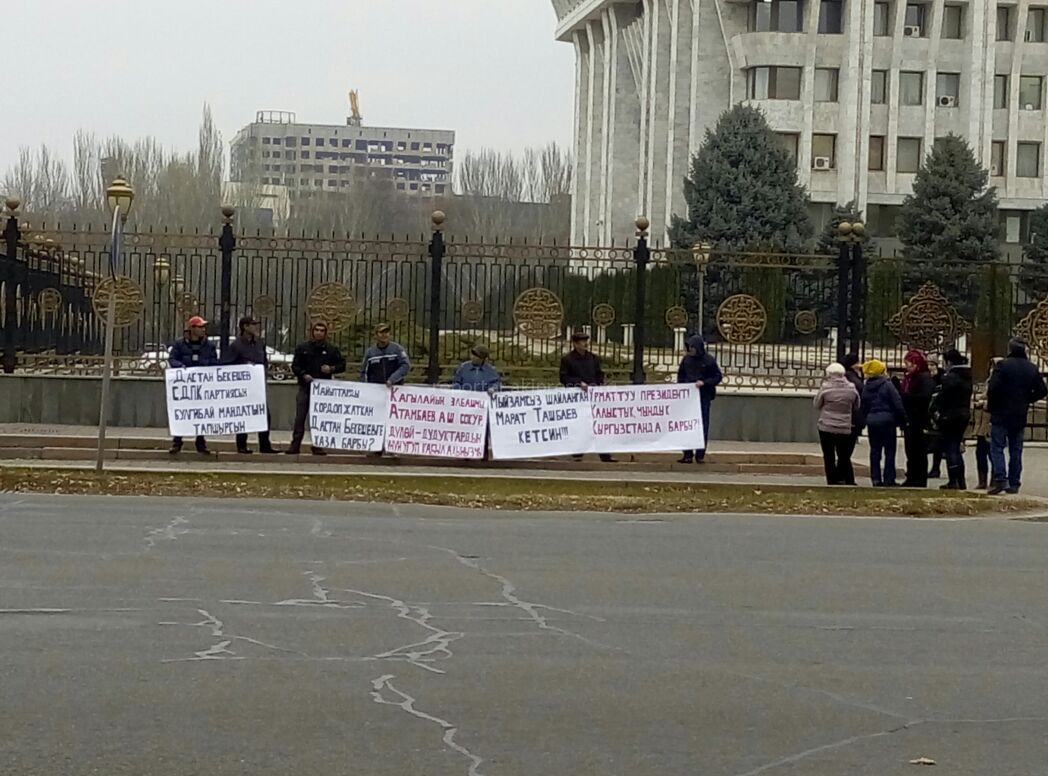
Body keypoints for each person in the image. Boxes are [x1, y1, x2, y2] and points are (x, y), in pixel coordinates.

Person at [986, 337, 1048, 495]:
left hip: (1000, 413)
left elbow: (993, 388)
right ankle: (1014, 482)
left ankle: (1000, 479)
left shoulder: (1003, 366)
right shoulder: (1031, 368)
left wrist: (992, 406)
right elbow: (1042, 390)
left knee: (997, 447)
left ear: (1010, 349)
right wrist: (1027, 399)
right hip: (1019, 413)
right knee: (1016, 449)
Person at [286, 321, 347, 456]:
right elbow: (295, 366)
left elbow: (342, 365)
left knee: (319, 418)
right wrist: (303, 375)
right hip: (305, 387)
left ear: (325, 333)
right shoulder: (303, 348)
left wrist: (331, 369)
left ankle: (318, 445)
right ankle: (295, 445)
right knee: (300, 417)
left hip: (323, 391)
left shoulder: (331, 349)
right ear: (312, 332)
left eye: (322, 331)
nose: (319, 333)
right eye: (316, 330)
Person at [559, 331, 615, 463]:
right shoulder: (568, 360)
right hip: (577, 398)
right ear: (575, 344)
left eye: (586, 341)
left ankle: (605, 455)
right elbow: (564, 377)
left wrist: (599, 383)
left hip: (593, 397)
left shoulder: (593, 358)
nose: (585, 344)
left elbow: (599, 374)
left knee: (598, 425)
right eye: (582, 341)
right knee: (580, 426)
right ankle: (577, 454)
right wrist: (578, 383)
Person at [226, 315, 277, 455]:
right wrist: (244, 366)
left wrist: (264, 370)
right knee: (244, 414)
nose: (255, 327)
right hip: (243, 387)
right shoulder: (236, 345)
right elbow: (228, 364)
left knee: (264, 414)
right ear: (245, 327)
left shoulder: (259, 343)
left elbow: (264, 360)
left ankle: (265, 445)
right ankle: (241, 444)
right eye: (252, 325)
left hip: (259, 385)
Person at [168, 315, 219, 455]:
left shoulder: (209, 346)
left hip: (202, 386)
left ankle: (201, 442)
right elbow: (172, 359)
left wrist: (207, 369)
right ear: (192, 329)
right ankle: (177, 442)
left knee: (200, 414)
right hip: (185, 387)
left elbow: (214, 362)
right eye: (200, 327)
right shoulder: (179, 344)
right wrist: (181, 367)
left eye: (203, 327)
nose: (203, 330)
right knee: (183, 413)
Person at [676, 335, 723, 464]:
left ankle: (700, 454)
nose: (690, 350)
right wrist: (682, 388)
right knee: (686, 425)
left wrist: (704, 382)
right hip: (688, 399)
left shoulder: (709, 360)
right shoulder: (686, 360)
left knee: (702, 425)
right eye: (689, 347)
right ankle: (687, 454)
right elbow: (681, 376)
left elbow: (717, 376)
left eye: (692, 347)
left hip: (703, 397)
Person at [860, 359, 907, 487]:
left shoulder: (867, 386)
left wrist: (863, 421)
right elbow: (897, 403)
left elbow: (863, 405)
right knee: (890, 451)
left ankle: (875, 478)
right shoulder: (887, 385)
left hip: (872, 421)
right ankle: (888, 478)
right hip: (887, 421)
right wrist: (902, 420)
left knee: (875, 450)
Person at [813, 363, 860, 485]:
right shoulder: (851, 388)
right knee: (844, 455)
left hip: (826, 426)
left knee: (828, 455)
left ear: (829, 374)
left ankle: (832, 480)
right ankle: (847, 479)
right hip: (844, 426)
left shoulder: (825, 388)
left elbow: (817, 404)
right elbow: (857, 405)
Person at [932, 349, 973, 490]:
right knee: (956, 446)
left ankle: (953, 480)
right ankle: (961, 480)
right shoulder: (966, 376)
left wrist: (938, 410)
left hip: (950, 415)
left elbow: (943, 397)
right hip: (963, 414)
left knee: (950, 448)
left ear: (949, 362)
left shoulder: (950, 377)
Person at [899, 348, 935, 487]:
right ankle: (912, 476)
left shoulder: (924, 378)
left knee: (918, 451)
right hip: (911, 419)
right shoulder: (911, 378)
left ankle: (919, 478)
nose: (907, 366)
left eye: (909, 363)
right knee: (911, 450)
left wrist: (905, 397)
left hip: (919, 420)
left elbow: (924, 398)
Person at [971, 358, 1001, 491]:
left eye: (994, 367)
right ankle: (982, 481)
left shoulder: (1000, 382)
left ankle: (995, 480)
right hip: (982, 423)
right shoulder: (989, 381)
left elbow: (998, 401)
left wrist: (983, 402)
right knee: (980, 452)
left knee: (991, 452)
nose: (991, 370)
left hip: (991, 422)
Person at [841, 353, 865, 444]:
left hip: (846, 414)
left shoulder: (846, 376)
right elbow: (861, 391)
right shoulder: (853, 378)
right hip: (852, 415)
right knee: (848, 442)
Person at [927, 358, 945, 479]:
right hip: (928, 412)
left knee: (938, 441)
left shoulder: (942, 378)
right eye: (928, 365)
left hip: (938, 413)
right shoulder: (925, 378)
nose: (930, 367)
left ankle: (935, 467)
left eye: (932, 365)